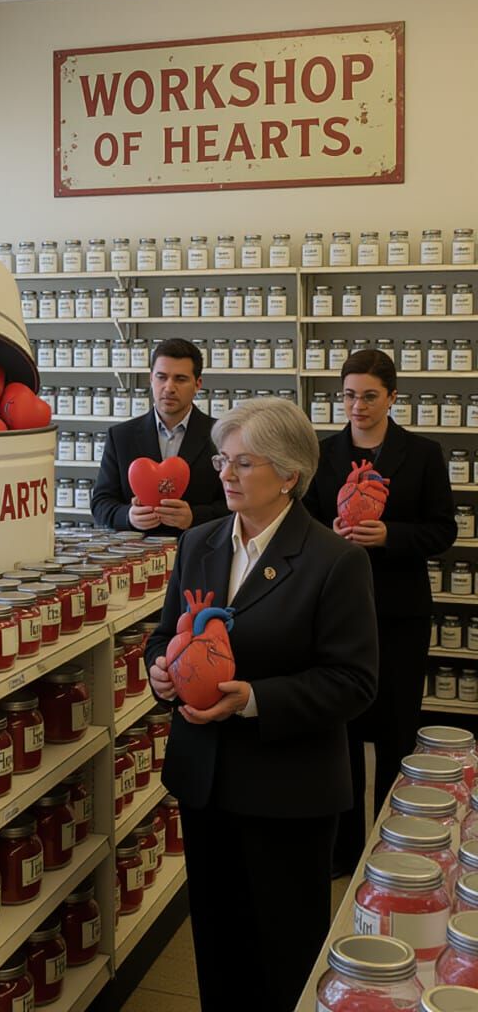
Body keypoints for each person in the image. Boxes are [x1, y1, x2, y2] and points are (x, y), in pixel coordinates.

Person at [145, 398, 378, 1012]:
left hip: (286, 794)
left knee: (283, 952)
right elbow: (163, 634)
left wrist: (254, 699)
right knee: (218, 947)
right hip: (205, 781)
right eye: (223, 460)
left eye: (243, 463)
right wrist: (160, 672)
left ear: (289, 475)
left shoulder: (335, 561)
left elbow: (354, 681)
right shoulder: (198, 543)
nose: (224, 473)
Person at [303, 348, 457, 874]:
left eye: (369, 395)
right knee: (339, 733)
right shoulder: (322, 455)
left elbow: (443, 529)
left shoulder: (423, 453)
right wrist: (330, 536)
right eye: (348, 395)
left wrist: (390, 534)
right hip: (334, 611)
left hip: (399, 610)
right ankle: (343, 851)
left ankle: (393, 848)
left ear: (393, 397)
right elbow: (302, 524)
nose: (357, 406)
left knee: (396, 732)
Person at [91, 338, 226, 536]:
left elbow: (238, 503)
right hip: (137, 554)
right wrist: (128, 516)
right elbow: (101, 502)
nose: (169, 387)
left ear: (197, 384)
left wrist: (195, 517)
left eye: (180, 379)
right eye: (162, 377)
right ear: (151, 379)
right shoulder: (120, 437)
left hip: (199, 553)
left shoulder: (221, 436)